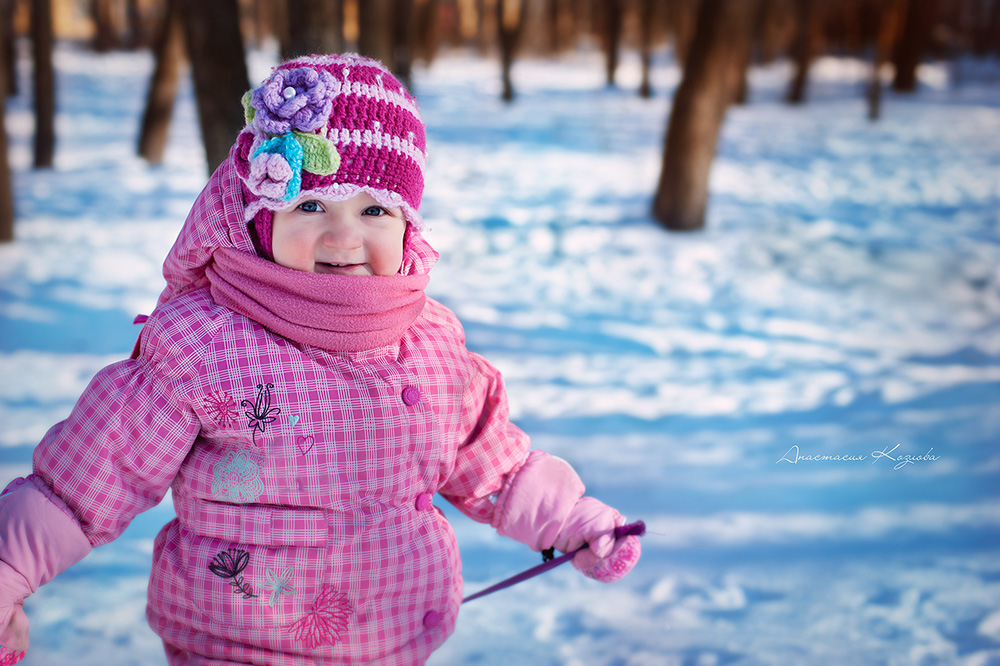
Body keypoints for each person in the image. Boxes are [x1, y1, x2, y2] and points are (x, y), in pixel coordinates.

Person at [0, 53, 640, 666]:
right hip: (237, 647)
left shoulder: (430, 342)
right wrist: (8, 569)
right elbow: (88, 479)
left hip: (396, 644)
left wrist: (572, 521)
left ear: (408, 224)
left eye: (374, 210)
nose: (343, 237)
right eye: (310, 206)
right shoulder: (205, 343)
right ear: (259, 215)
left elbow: (489, 461)